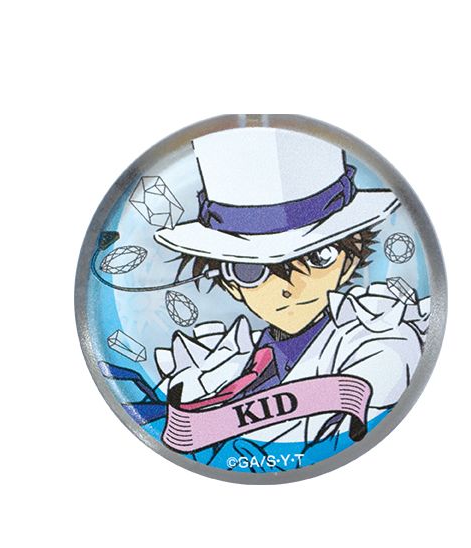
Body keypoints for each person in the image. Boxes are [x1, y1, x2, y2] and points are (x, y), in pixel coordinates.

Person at [153, 127, 429, 465]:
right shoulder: (222, 357)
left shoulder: (379, 339)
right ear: (230, 282)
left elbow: (376, 392)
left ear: (349, 259)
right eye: (251, 270)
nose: (290, 286)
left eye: (319, 257)